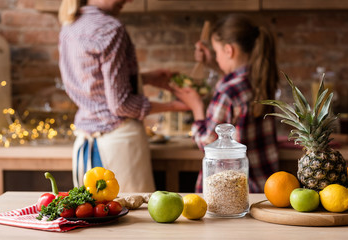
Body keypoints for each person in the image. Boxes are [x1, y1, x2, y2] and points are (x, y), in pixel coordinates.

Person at [58, 0, 188, 192]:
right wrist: (180, 105)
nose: (129, 0)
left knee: (94, 217)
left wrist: (146, 78)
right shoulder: (110, 28)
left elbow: (94, 83)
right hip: (119, 145)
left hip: (86, 145)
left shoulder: (70, 25)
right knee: (136, 217)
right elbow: (121, 105)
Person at [173, 14, 279, 193]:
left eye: (216, 52)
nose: (216, 58)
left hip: (230, 193)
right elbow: (235, 79)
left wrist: (196, 107)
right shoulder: (261, 79)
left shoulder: (227, 91)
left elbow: (208, 142)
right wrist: (212, 63)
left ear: (229, 51)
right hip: (263, 189)